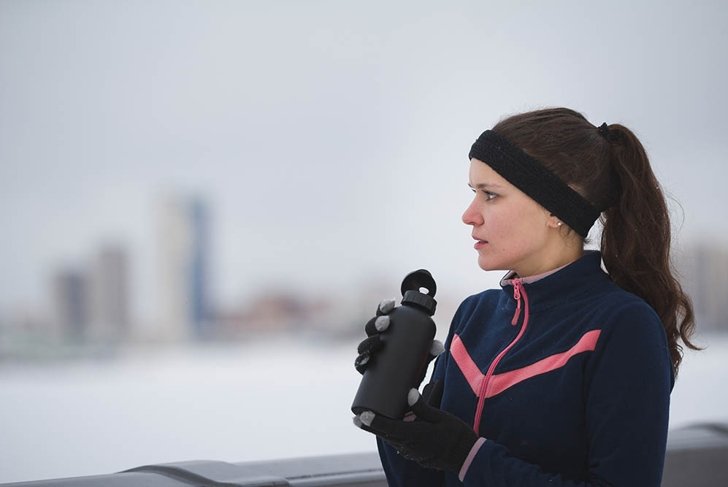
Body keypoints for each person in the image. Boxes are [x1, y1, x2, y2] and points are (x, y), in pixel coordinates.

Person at [352, 107, 698, 486]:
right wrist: (396, 408)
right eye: (473, 194)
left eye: (490, 195)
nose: (469, 215)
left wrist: (467, 455)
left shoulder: (622, 327)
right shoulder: (473, 317)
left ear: (555, 207)